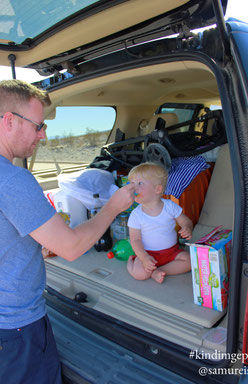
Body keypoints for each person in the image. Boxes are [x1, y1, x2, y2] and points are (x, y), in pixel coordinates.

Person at [0, 79, 135, 384]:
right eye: (38, 125)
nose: (43, 135)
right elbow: (72, 249)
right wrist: (113, 207)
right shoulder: (13, 180)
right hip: (17, 330)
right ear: (9, 121)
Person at [127, 162, 192, 284]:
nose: (134, 187)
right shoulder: (136, 215)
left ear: (157, 189)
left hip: (171, 251)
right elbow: (135, 240)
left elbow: (185, 220)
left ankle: (160, 270)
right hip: (147, 253)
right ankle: (131, 263)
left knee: (190, 261)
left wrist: (187, 227)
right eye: (132, 183)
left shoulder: (169, 206)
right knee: (140, 274)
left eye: (140, 183)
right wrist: (144, 258)